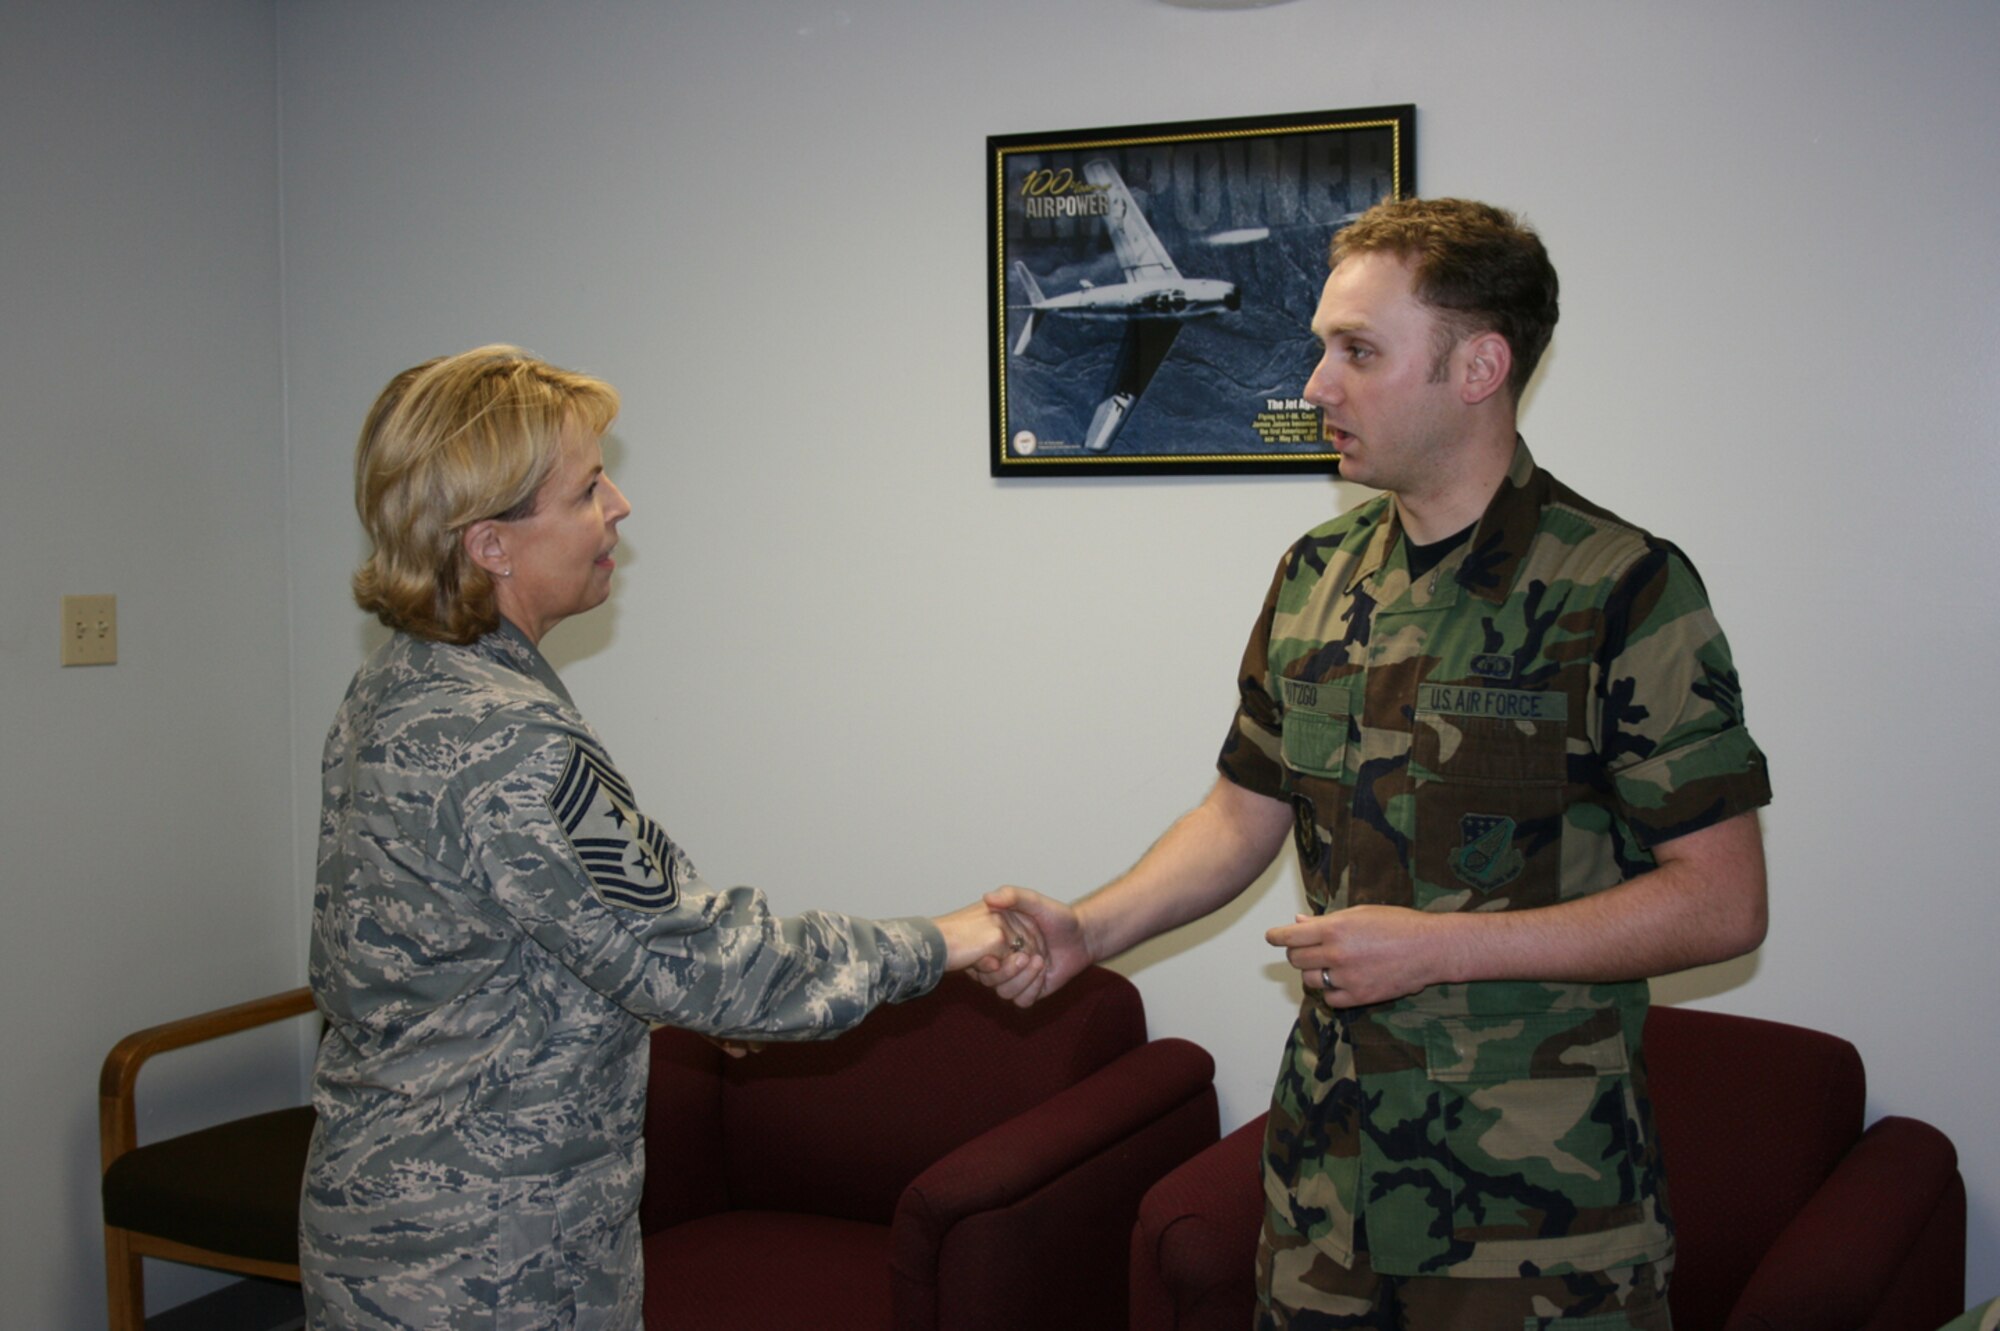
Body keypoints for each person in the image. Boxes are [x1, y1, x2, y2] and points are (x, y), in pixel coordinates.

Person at [980, 199, 1772, 1329]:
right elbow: (1239, 811)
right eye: (1320, 347)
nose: (1314, 385)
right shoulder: (1316, 573)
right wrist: (1092, 931)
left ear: (1478, 365)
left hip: (1536, 1227)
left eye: (1356, 351)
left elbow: (1722, 899)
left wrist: (1437, 947)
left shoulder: (1621, 587)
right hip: (1324, 1200)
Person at [303, 346, 1021, 1330]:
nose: (620, 506)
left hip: (389, 1229)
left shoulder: (407, 680)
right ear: (490, 545)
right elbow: (702, 960)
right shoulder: (509, 735)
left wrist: (672, 972)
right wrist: (952, 937)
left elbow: (570, 930)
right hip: (485, 1265)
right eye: (588, 487)